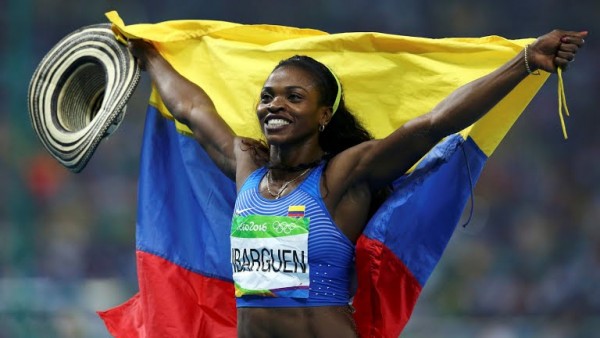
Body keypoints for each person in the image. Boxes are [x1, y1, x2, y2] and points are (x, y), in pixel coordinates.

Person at [128, 29, 586, 337]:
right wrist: (148, 55)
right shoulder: (248, 165)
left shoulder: (342, 176)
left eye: (294, 96)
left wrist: (525, 62)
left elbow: (432, 124)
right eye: (267, 96)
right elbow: (191, 108)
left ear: (324, 115)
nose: (274, 105)